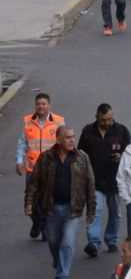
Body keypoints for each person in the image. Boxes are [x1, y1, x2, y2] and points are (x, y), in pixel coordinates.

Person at [25, 126, 96, 279]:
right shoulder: (46, 158)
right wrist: (29, 203)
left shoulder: (81, 157)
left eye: (73, 137)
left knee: (67, 242)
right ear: (58, 140)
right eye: (67, 137)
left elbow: (90, 185)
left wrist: (91, 210)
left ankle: (62, 274)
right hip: (51, 209)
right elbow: (34, 183)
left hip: (73, 209)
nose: (72, 140)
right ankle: (59, 262)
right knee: (53, 241)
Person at [79, 103, 131, 256]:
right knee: (95, 212)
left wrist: (121, 156)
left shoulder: (121, 131)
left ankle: (111, 240)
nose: (108, 123)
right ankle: (93, 243)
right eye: (104, 120)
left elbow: (130, 152)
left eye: (110, 119)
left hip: (115, 181)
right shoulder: (87, 131)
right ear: (97, 117)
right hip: (94, 181)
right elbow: (81, 154)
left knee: (115, 213)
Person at [17, 93, 65, 240]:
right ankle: (37, 222)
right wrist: (19, 161)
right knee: (30, 202)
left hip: (51, 168)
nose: (41, 107)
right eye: (38, 104)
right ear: (35, 105)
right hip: (32, 168)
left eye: (44, 104)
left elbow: (64, 143)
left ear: (49, 105)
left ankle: (45, 228)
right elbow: (22, 144)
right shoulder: (28, 121)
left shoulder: (59, 122)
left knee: (47, 200)